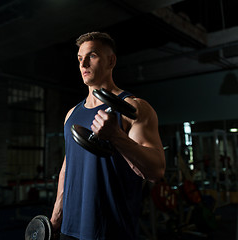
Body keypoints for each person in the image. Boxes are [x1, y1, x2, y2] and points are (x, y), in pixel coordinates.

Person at [50, 32, 166, 240]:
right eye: (79, 58)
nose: (83, 63)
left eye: (92, 55)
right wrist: (57, 213)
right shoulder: (71, 114)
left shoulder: (135, 108)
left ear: (111, 61)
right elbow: (69, 165)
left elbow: (156, 170)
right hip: (69, 229)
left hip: (110, 230)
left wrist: (116, 136)